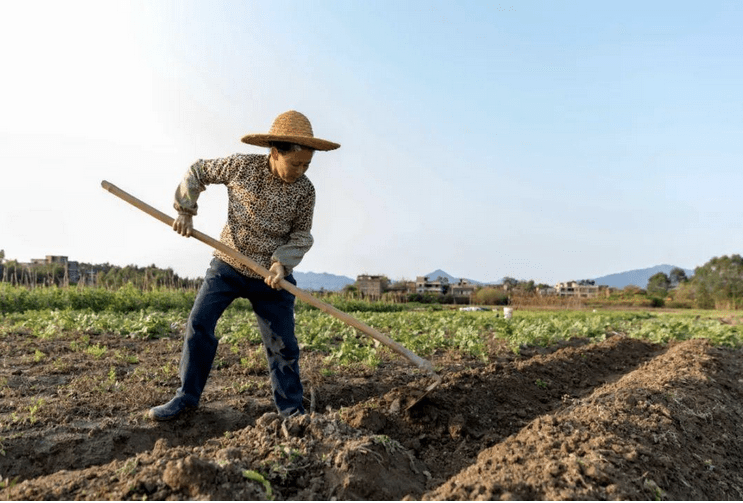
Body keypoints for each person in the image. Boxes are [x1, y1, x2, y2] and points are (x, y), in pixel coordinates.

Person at [148, 110, 340, 421]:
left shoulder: (305, 191)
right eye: (296, 163)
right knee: (199, 325)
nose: (301, 170)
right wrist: (185, 209)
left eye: (307, 164)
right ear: (275, 152)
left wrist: (281, 265)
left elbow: (302, 234)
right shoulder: (241, 167)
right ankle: (186, 398)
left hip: (272, 278)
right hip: (228, 264)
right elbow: (198, 170)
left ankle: (291, 411)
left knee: (283, 346)